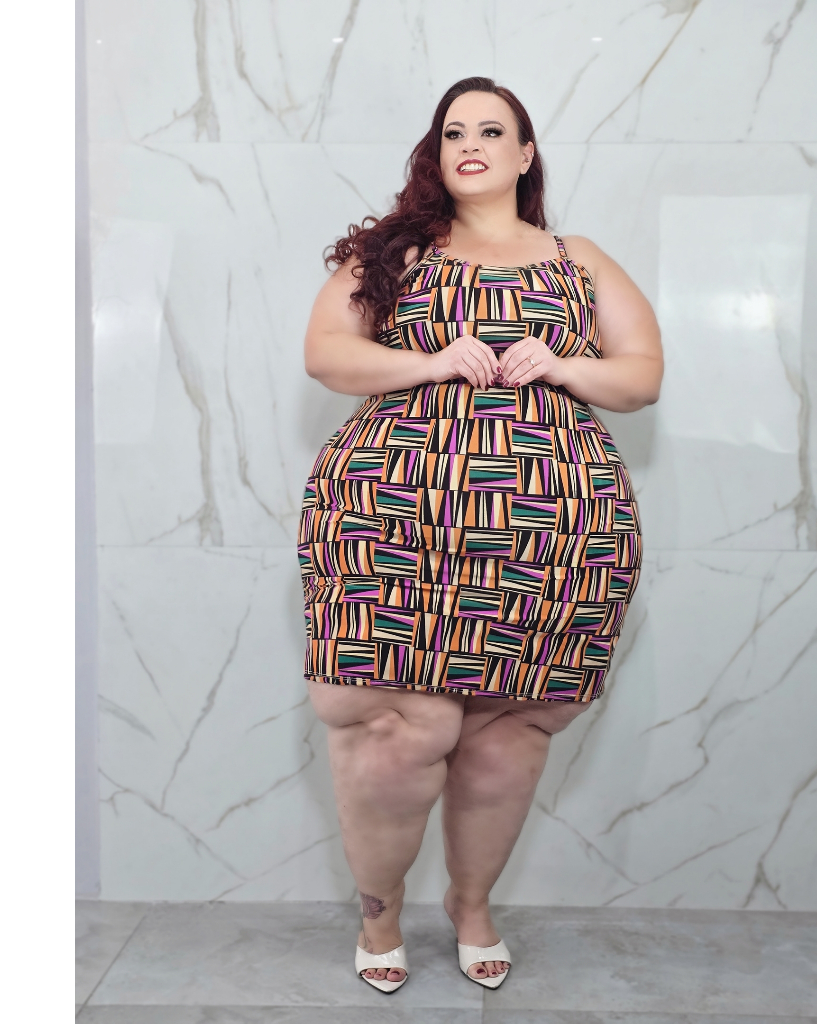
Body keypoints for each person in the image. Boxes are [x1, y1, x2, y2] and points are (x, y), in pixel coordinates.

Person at [298, 76, 662, 992]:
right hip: (392, 523)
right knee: (394, 724)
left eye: (492, 131)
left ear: (524, 154)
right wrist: (426, 360)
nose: (471, 144)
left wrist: (569, 366)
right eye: (454, 131)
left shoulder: (578, 259)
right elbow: (326, 353)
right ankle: (379, 911)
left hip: (550, 532)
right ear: (436, 153)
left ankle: (472, 903)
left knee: (509, 730)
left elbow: (642, 374)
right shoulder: (394, 254)